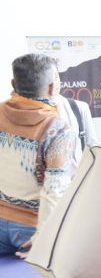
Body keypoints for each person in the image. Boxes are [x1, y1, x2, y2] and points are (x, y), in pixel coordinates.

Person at [0, 53, 76, 256]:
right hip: (32, 228)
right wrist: (45, 234)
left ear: (14, 83)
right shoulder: (57, 129)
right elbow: (55, 190)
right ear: (52, 88)